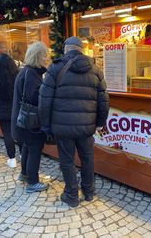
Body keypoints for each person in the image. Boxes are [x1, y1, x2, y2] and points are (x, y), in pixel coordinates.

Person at [39, 36, 109, 207]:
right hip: (87, 126)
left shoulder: (55, 68)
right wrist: (100, 122)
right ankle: (89, 191)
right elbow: (104, 100)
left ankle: (71, 194)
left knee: (67, 160)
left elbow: (44, 100)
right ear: (81, 50)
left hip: (63, 127)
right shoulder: (96, 70)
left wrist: (46, 125)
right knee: (87, 158)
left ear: (66, 49)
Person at [11, 42, 48, 193]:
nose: (47, 59)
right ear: (38, 57)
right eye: (45, 56)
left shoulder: (26, 71)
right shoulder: (32, 74)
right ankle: (33, 182)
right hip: (30, 121)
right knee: (34, 148)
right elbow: (34, 98)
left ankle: (25, 174)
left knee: (27, 146)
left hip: (22, 120)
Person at [0, 53, 21, 168]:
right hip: (16, 108)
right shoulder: (17, 75)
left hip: (2, 109)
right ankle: (23, 155)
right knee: (19, 132)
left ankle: (12, 159)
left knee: (7, 133)